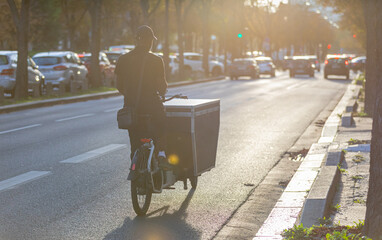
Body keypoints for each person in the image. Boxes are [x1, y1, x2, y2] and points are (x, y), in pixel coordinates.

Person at [115, 25, 169, 169]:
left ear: (136, 40)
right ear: (151, 40)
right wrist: (161, 94)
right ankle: (162, 153)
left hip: (131, 107)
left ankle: (135, 162)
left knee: (134, 139)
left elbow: (118, 85)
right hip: (152, 106)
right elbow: (162, 86)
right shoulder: (156, 60)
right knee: (163, 123)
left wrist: (130, 96)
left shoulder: (123, 59)